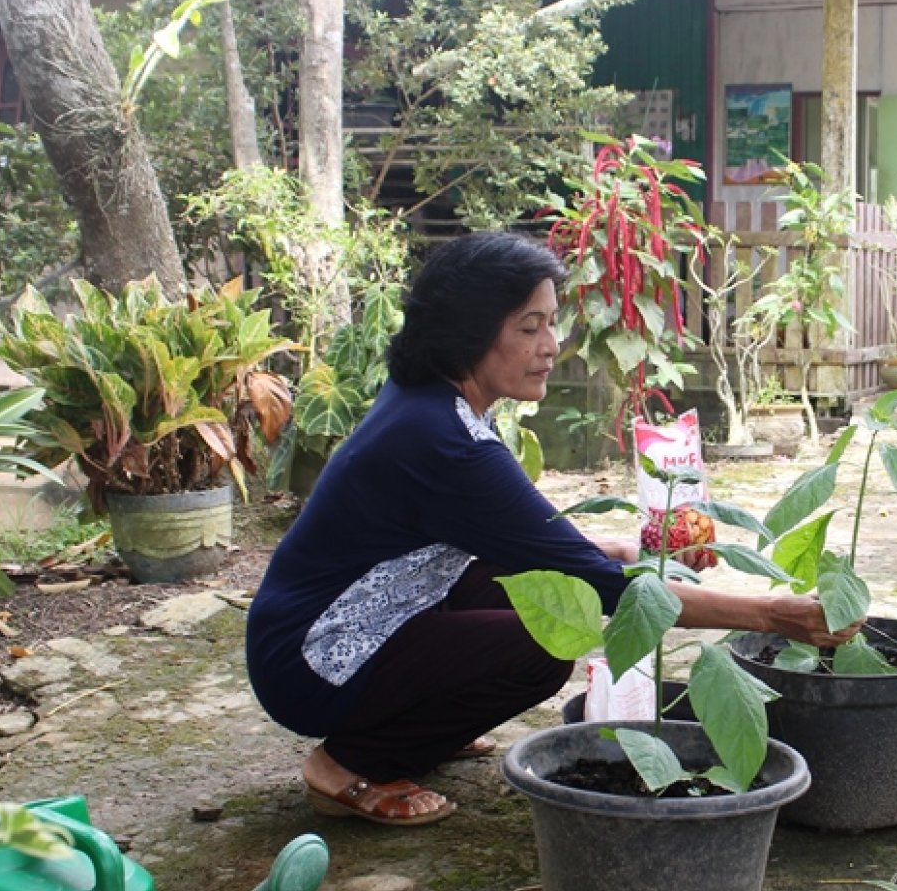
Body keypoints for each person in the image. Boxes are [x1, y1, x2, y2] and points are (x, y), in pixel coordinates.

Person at [245, 231, 857, 826]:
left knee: (524, 584)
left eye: (550, 324)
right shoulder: (447, 442)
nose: (551, 345)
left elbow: (533, 544)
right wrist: (773, 614)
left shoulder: (428, 403)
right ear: (469, 335)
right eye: (528, 328)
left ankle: (415, 721)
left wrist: (631, 547)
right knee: (546, 643)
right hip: (316, 659)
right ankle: (349, 763)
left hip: (335, 621)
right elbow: (604, 588)